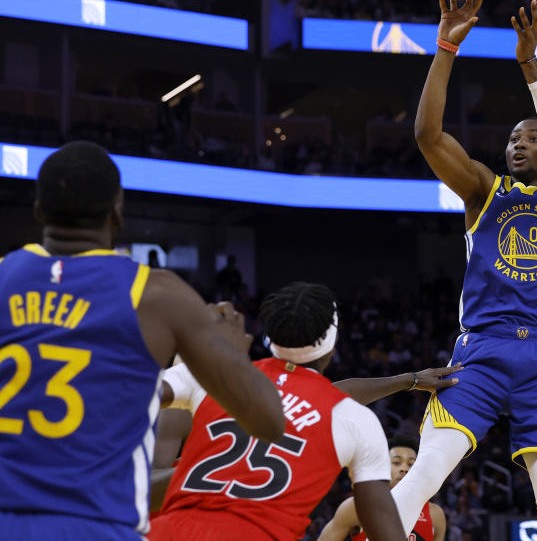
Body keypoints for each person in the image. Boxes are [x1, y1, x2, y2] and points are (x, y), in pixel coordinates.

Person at [0, 140, 285, 540]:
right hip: (98, 528)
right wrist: (229, 350)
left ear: (37, 210)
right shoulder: (158, 295)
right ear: (118, 211)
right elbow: (271, 421)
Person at [391, 0, 537, 541]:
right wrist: (445, 47)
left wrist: (530, 66)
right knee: (423, 474)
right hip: (481, 350)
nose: (519, 144)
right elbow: (427, 137)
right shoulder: (484, 190)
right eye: (512, 139)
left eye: (532, 137)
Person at [149, 282, 416, 541]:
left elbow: (126, 391)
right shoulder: (354, 419)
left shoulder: (210, 374)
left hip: (166, 532)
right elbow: (384, 528)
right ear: (332, 344)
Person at [318, 436, 447, 541]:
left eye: (411, 464)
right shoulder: (356, 507)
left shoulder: (435, 514)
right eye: (396, 463)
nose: (404, 469)